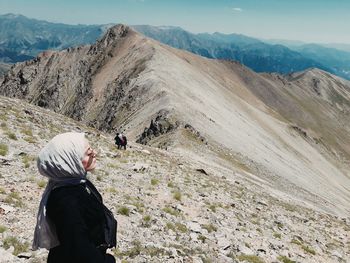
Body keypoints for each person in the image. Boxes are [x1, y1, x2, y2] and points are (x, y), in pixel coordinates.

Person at [33, 132, 117, 263]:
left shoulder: (77, 183)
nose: (95, 153)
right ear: (70, 160)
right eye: (88, 153)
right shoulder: (67, 200)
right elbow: (79, 249)